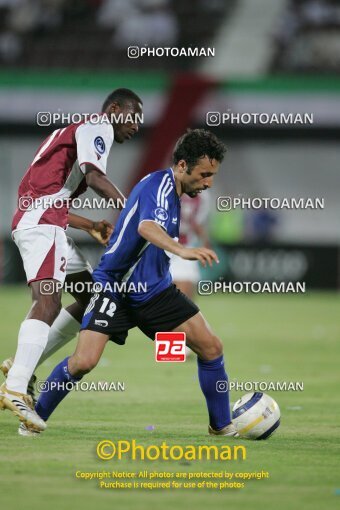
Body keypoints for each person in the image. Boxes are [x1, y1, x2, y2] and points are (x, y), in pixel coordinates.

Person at [28, 129, 239, 438]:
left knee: (211, 347)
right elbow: (146, 226)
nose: (209, 182)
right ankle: (33, 419)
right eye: (204, 174)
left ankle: (222, 427)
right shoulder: (158, 185)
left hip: (154, 291)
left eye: (212, 175)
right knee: (84, 361)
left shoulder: (175, 192)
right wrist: (181, 249)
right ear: (182, 165)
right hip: (113, 287)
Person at [0, 88, 143, 432]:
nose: (137, 126)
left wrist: (91, 224)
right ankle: (17, 386)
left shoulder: (73, 131)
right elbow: (94, 177)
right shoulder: (99, 127)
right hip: (43, 225)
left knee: (90, 297)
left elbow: (52, 196)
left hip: (46, 219)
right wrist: (132, 210)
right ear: (114, 109)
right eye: (133, 116)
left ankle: (21, 367)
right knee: (47, 301)